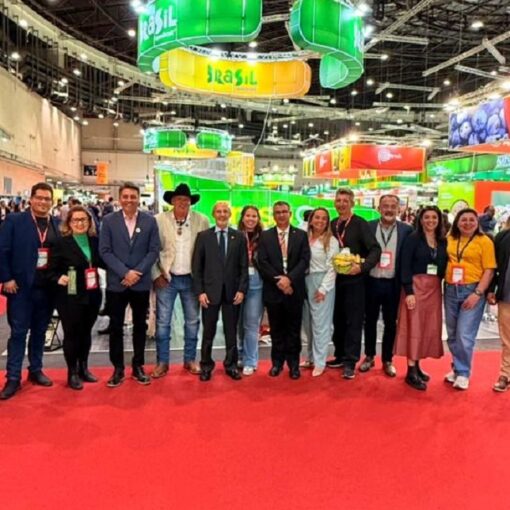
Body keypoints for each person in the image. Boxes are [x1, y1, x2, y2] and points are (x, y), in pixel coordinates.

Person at [0, 182, 59, 400]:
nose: (43, 202)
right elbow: (2, 250)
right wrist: (6, 278)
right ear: (31, 199)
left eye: (47, 199)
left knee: (40, 331)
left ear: (52, 202)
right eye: (39, 198)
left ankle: (36, 369)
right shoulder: (15, 221)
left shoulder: (57, 224)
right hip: (20, 287)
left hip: (47, 288)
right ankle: (13, 377)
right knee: (18, 333)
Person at [99, 182, 160, 388]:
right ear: (120, 198)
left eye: (133, 196)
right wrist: (125, 272)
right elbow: (105, 251)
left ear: (138, 198)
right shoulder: (109, 221)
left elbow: (153, 250)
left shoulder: (150, 221)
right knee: (116, 327)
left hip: (140, 283)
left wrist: (137, 272)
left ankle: (138, 366)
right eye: (125, 196)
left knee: (140, 327)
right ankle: (118, 369)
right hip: (117, 283)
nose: (129, 200)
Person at [151, 183, 209, 378]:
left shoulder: (202, 220)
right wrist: (156, 274)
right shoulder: (159, 220)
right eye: (178, 199)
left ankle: (190, 360)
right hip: (166, 278)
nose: (182, 202)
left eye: (186, 199)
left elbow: (206, 252)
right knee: (163, 323)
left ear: (190, 202)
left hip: (192, 279)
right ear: (172, 201)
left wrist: (203, 281)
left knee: (192, 322)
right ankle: (162, 362)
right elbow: (151, 249)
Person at [327, 188, 381, 379]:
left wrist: (362, 267)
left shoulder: (360, 224)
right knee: (338, 319)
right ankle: (340, 355)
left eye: (345, 201)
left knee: (353, 321)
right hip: (335, 280)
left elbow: (375, 249)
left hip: (355, 280)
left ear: (352, 203)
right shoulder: (332, 224)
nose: (341, 204)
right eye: (338, 200)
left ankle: (350, 361)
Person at [192, 201, 248, 381]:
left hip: (233, 293)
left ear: (230, 214)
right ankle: (206, 366)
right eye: (219, 211)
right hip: (209, 293)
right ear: (213, 214)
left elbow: (244, 267)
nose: (222, 214)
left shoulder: (239, 237)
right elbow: (197, 267)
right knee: (208, 332)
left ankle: (231, 365)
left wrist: (242, 290)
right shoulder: (203, 237)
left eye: (225, 211)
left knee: (231, 332)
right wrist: (200, 292)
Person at [49, 206, 103, 390]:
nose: (80, 223)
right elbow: (50, 269)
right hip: (70, 296)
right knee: (72, 334)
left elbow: (103, 261)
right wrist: (58, 277)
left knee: (86, 332)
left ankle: (83, 368)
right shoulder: (60, 242)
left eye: (83, 220)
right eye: (76, 220)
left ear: (89, 222)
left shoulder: (95, 241)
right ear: (69, 223)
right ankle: (72, 372)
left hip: (92, 294)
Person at [394, 206, 447, 390]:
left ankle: (417, 365)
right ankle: (410, 371)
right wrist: (408, 291)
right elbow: (404, 265)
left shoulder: (442, 241)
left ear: (439, 220)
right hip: (415, 288)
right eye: (427, 217)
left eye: (434, 217)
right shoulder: (413, 238)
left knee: (425, 328)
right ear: (421, 219)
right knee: (413, 328)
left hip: (433, 290)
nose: (431, 220)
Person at [444, 208, 496, 390]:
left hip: (472, 290)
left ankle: (464, 372)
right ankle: (457, 368)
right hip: (451, 289)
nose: (467, 223)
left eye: (471, 220)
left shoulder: (485, 241)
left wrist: (478, 293)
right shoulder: (450, 238)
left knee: (464, 334)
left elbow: (489, 270)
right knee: (452, 334)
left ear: (477, 222)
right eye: (463, 220)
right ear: (457, 222)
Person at [360, 194, 413, 377]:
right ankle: (369, 356)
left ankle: (387, 360)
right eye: (385, 206)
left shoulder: (407, 230)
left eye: (393, 206)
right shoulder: (368, 227)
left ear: (399, 209)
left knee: (391, 323)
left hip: (393, 284)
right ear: (379, 208)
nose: (389, 209)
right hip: (371, 281)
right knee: (369, 321)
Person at [257, 201, 311, 379]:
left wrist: (289, 280)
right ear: (273, 215)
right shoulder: (265, 236)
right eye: (278, 212)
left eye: (284, 212)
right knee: (276, 330)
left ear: (290, 213)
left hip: (294, 290)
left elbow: (304, 260)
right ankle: (277, 363)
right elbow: (262, 262)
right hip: (274, 291)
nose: (281, 215)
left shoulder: (301, 235)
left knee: (294, 330)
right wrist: (280, 281)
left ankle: (294, 365)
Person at [301, 208, 339, 377]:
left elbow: (333, 268)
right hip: (305, 280)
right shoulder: (304, 236)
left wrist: (323, 288)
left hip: (321, 281)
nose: (320, 221)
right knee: (308, 323)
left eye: (324, 218)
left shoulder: (331, 241)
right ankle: (310, 358)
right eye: (317, 217)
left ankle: (320, 362)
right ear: (311, 219)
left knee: (320, 325)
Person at [237, 205, 264, 376]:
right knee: (239, 324)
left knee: (252, 323)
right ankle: (240, 355)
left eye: (254, 216)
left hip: (256, 283)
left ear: (258, 219)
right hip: (237, 283)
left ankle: (250, 360)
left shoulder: (264, 237)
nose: (251, 219)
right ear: (242, 217)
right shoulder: (235, 235)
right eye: (248, 215)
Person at [488, 218, 510, 391]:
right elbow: (493, 266)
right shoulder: (502, 237)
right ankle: (505, 374)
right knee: (507, 339)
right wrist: (490, 289)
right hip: (506, 296)